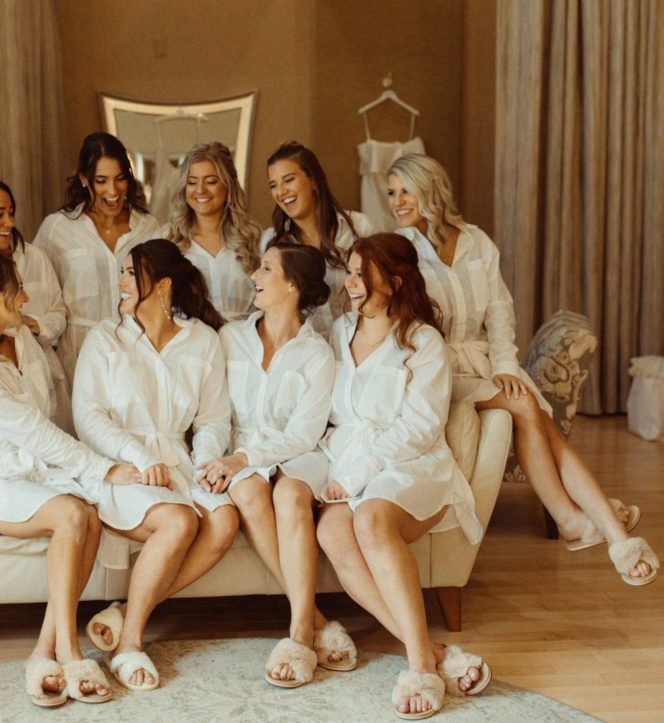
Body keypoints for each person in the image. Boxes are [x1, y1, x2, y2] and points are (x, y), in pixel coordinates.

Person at [387, 153, 659, 587]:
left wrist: (505, 365)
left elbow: (500, 312)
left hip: (483, 360)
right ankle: (582, 520)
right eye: (391, 193)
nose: (397, 201)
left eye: (405, 189)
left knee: (537, 416)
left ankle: (602, 526)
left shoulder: (477, 241)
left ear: (430, 188)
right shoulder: (399, 251)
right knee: (527, 407)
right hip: (438, 367)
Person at [0, 249, 138, 707]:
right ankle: (68, 650)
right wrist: (103, 466)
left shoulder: (19, 338)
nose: (25, 297)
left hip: (37, 471)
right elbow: (36, 433)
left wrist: (93, 462)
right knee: (71, 514)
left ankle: (42, 652)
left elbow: (51, 412)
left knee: (89, 513)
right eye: (17, 289)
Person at [316, 233, 490, 719]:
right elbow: (331, 416)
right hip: (349, 461)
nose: (349, 283)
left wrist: (357, 475)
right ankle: (433, 654)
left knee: (370, 519)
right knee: (331, 529)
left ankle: (417, 667)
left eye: (361, 276)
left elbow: (420, 426)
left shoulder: (422, 341)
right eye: (348, 271)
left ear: (392, 283)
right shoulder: (339, 331)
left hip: (412, 464)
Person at [73, 239, 235, 692]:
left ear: (161, 285)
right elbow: (88, 418)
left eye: (130, 273)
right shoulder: (105, 338)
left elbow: (213, 418)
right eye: (121, 272)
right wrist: (142, 459)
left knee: (224, 520)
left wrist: (205, 463)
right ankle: (129, 644)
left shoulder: (202, 340)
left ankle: (127, 611)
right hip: (121, 466)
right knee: (180, 521)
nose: (120, 282)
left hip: (179, 464)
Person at [200, 242, 358, 689]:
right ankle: (312, 621)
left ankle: (297, 633)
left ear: (292, 285)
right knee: (249, 491)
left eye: (266, 268)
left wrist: (242, 458)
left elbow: (303, 436)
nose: (254, 274)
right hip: (240, 455)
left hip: (295, 454)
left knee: (290, 494)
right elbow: (213, 414)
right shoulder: (230, 338)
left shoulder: (317, 354)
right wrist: (220, 460)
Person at [34, 132, 160, 387]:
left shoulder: (149, 228)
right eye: (101, 181)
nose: (112, 191)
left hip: (137, 355)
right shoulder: (56, 228)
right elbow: (37, 294)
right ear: (84, 179)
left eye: (120, 178)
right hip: (78, 358)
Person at [0, 173, 72, 433]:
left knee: (51, 440)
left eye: (11, 212)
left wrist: (34, 324)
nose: (9, 222)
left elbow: (59, 314)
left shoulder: (33, 258)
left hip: (40, 370)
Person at [262, 141, 378, 334]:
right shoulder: (272, 242)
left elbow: (383, 292)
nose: (281, 192)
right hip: (306, 353)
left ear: (313, 179)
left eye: (289, 180)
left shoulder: (360, 228)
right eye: (273, 185)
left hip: (359, 349)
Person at [162, 141, 261, 321]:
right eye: (192, 182)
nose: (200, 190)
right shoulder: (168, 241)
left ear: (228, 186)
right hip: (192, 346)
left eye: (210, 182)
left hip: (247, 343)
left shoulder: (254, 238)